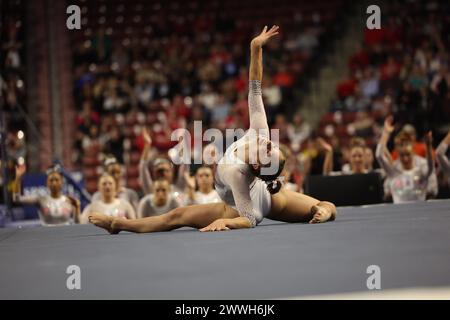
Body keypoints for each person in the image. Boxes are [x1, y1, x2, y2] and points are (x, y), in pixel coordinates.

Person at [89, 26, 336, 234]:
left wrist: (226, 221)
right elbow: (255, 87)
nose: (271, 144)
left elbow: (249, 219)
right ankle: (116, 224)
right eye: (275, 147)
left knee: (176, 216)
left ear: (260, 165)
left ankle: (117, 223)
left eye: (270, 153)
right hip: (262, 193)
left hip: (249, 205)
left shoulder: (238, 172)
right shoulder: (260, 133)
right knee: (324, 205)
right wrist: (255, 47)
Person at [376, 116, 435, 203]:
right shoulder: (394, 172)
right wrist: (385, 133)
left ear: (413, 153)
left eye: (408, 155)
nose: (405, 158)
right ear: (398, 155)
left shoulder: (421, 170)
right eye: (402, 155)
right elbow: (379, 156)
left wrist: (429, 146)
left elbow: (430, 167)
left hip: (420, 213)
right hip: (399, 214)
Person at [13, 164, 80, 226]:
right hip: (47, 236)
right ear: (46, 183)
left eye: (57, 180)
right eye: (51, 180)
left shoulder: (70, 201)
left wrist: (77, 208)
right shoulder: (41, 199)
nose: (54, 183)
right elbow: (17, 198)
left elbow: (77, 224)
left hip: (66, 235)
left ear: (62, 182)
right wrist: (17, 179)